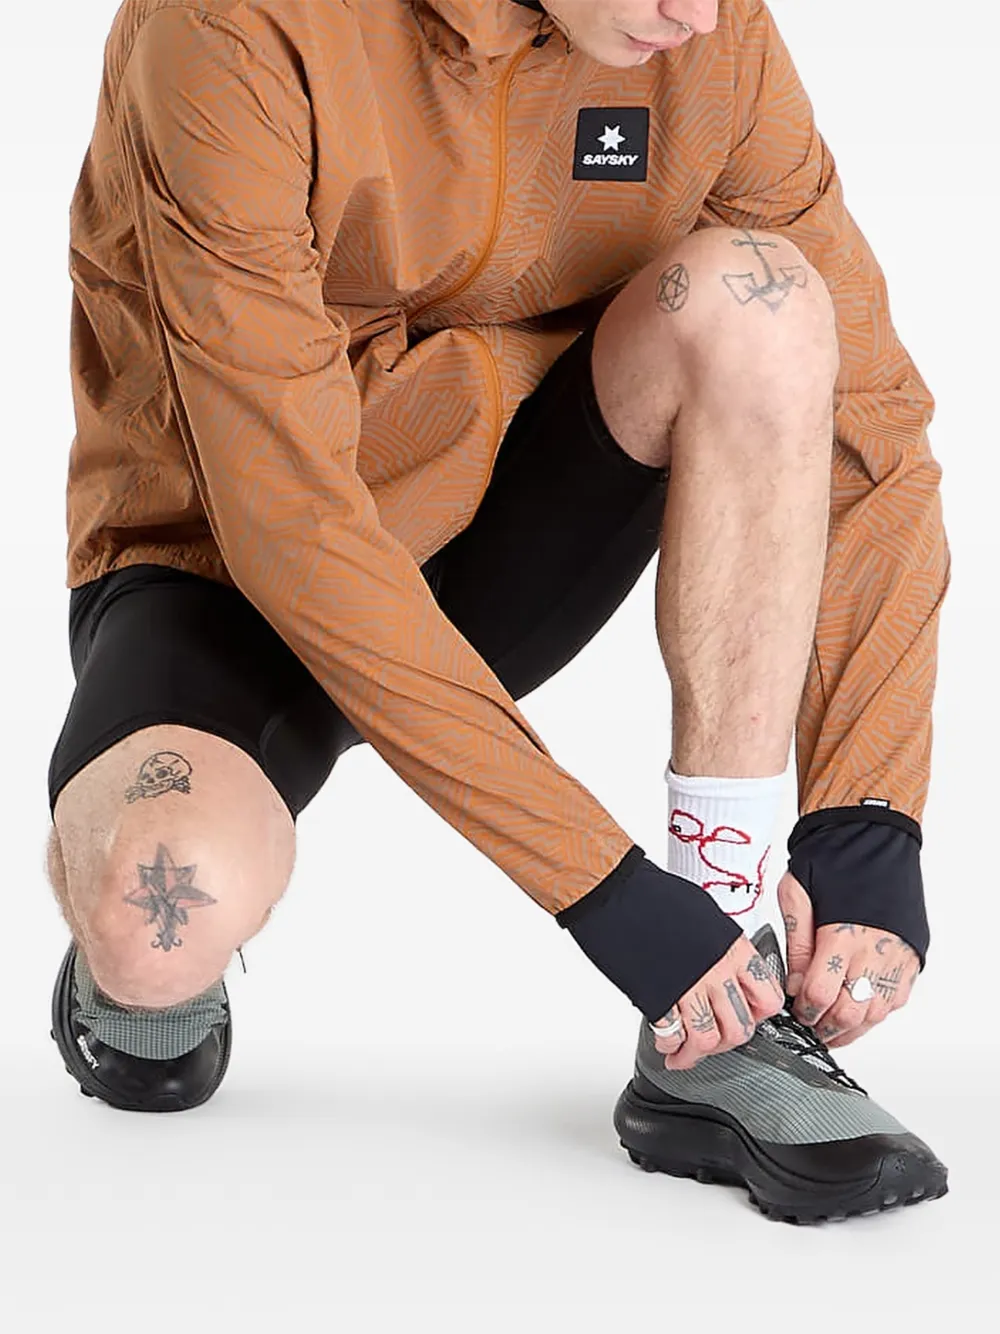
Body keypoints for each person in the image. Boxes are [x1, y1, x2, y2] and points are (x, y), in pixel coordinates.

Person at [44, 0, 950, 1224]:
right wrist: (606, 891)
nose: (693, 11)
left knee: (765, 297)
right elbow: (290, 522)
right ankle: (148, 938)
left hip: (501, 535)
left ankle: (722, 1014)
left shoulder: (708, 34)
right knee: (157, 917)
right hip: (235, 568)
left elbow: (872, 430)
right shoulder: (231, 27)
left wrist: (868, 814)